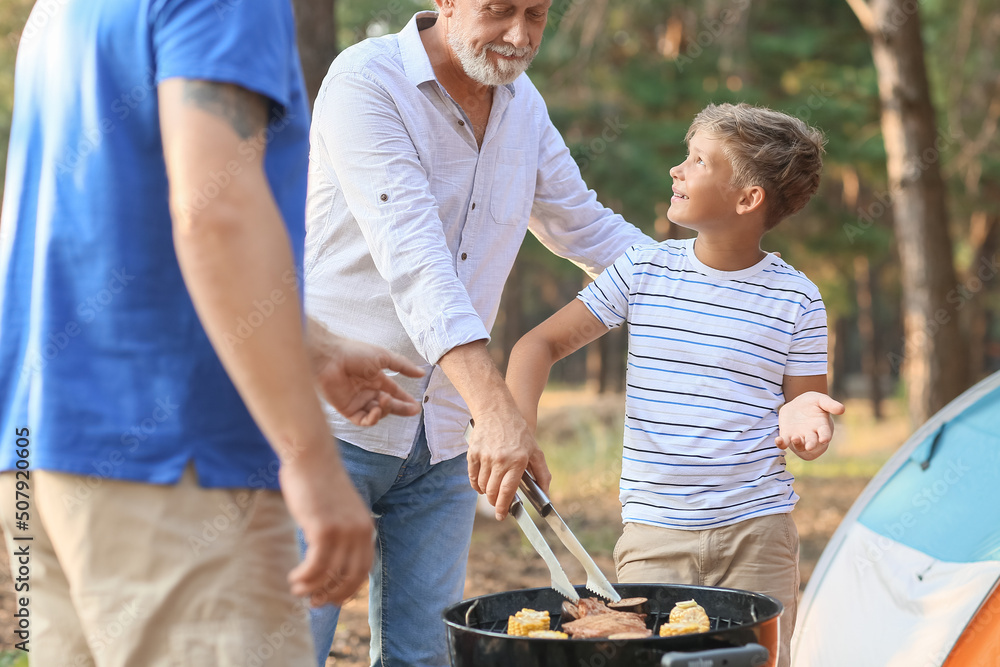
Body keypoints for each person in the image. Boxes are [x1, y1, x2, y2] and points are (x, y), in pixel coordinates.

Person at [0, 2, 423, 665]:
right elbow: (215, 213)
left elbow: (107, 217)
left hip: (41, 456)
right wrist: (311, 461)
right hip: (176, 464)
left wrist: (309, 345)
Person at [301, 0, 652, 663]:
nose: (520, 36)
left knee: (424, 656)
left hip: (442, 439)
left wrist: (713, 288)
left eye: (537, 14)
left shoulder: (524, 106)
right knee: (287, 646)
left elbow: (586, 225)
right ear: (448, 3)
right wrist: (497, 408)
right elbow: (415, 258)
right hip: (327, 425)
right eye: (499, 11)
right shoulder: (366, 82)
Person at [506, 103, 846, 667]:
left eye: (697, 160)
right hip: (654, 538)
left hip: (757, 535)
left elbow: (808, 415)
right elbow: (535, 347)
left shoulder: (799, 298)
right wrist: (517, 431)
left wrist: (807, 426)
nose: (676, 170)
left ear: (747, 199)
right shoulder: (643, 270)